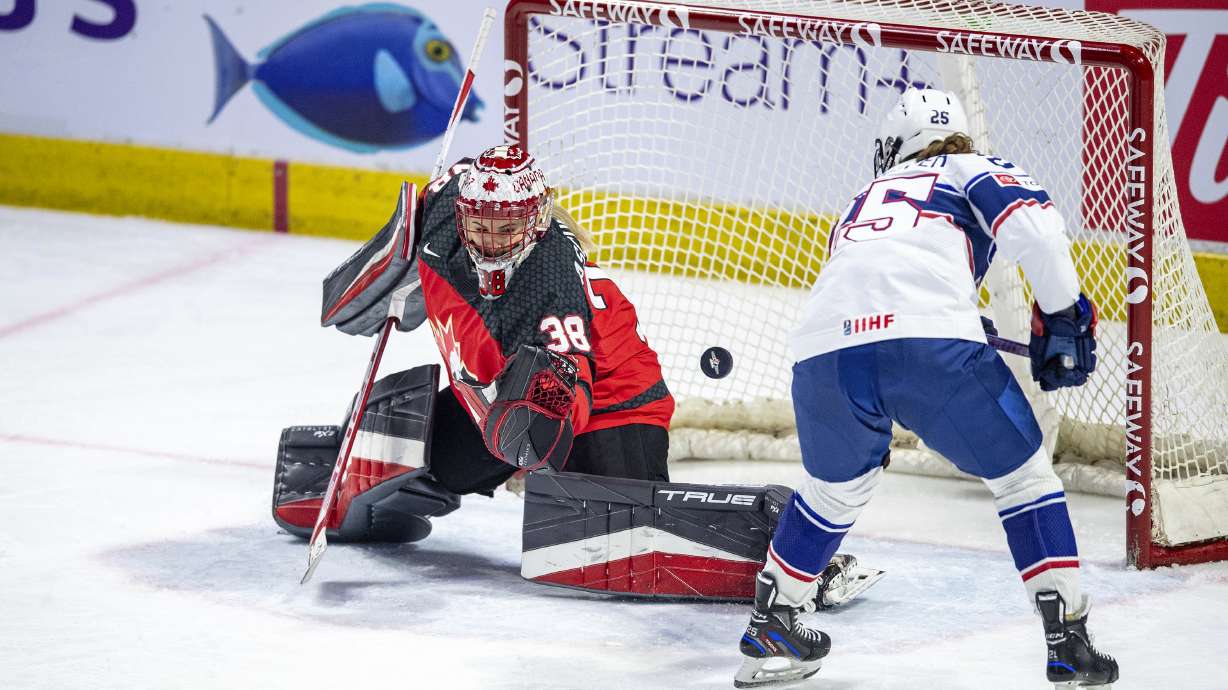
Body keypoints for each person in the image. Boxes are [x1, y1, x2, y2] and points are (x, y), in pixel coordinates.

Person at [272, 145, 873, 605]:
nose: (490, 238)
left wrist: (531, 433)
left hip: (613, 400)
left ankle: (794, 557)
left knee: (627, 536)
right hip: (490, 389)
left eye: (507, 228)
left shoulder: (548, 283)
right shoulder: (448, 210)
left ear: (536, 220)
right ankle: (345, 470)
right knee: (445, 464)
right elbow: (424, 212)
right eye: (481, 224)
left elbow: (567, 398)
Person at [733, 89, 1118, 688]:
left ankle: (773, 621)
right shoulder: (972, 166)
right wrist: (1064, 314)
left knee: (834, 493)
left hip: (824, 354)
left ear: (895, 147)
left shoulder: (860, 200)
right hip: (931, 346)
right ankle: (1068, 641)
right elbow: (1034, 233)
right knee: (1024, 479)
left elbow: (874, 282)